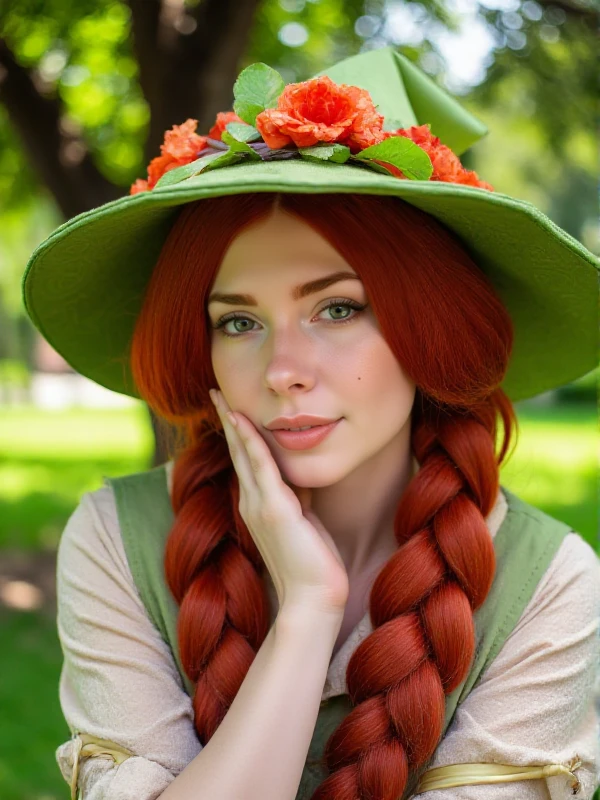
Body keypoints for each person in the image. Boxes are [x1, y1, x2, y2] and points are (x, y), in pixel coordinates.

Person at [22, 46, 599, 800]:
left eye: (338, 307)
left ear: (434, 330)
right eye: (237, 322)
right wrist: (307, 613)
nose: (283, 368)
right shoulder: (117, 540)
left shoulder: (548, 586)